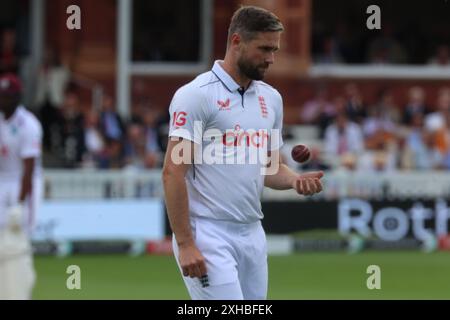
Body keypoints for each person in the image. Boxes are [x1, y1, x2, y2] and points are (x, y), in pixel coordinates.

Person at [162, 6, 324, 300]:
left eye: (274, 50)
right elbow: (173, 171)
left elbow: (270, 168)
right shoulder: (197, 95)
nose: (271, 58)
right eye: (264, 48)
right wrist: (185, 243)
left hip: (252, 232)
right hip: (207, 232)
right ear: (236, 42)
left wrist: (294, 181)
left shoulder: (271, 98)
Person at [0, 73, 43, 299]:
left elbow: (28, 168)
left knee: (19, 240)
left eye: (8, 96)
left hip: (23, 181)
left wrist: (19, 203)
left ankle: (20, 290)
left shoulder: (28, 125)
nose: (3, 100)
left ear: (17, 97)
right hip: (2, 178)